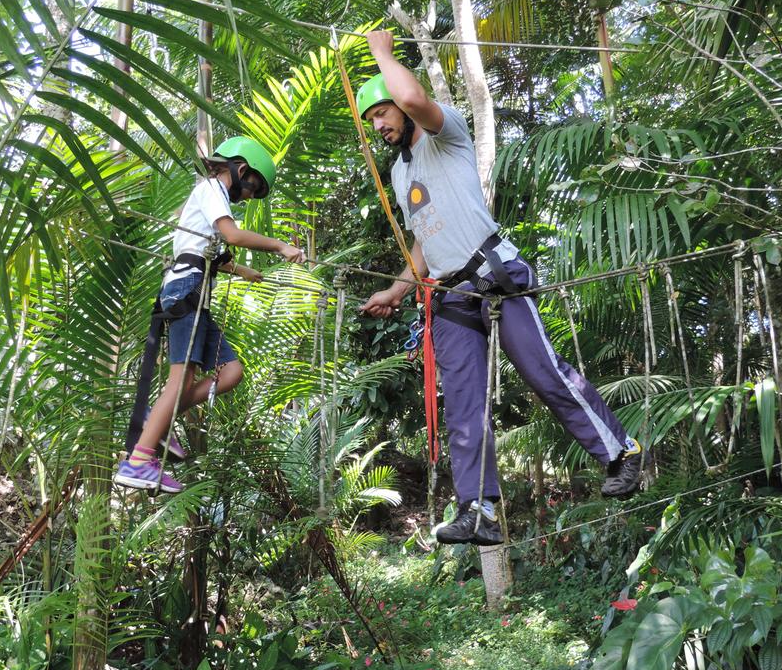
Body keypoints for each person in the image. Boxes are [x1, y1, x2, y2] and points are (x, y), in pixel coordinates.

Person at [356, 31, 650, 546]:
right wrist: (398, 291)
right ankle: (480, 511)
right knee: (465, 406)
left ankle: (621, 451)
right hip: (451, 295)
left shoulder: (446, 133)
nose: (380, 124)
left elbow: (413, 98)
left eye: (382, 112)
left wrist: (381, 51)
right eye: (372, 119)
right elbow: (424, 243)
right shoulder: (401, 175)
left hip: (494, 275)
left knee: (543, 372)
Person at [114, 136, 305, 491]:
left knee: (231, 372)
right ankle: (139, 459)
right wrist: (280, 246)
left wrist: (243, 272)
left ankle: (157, 420)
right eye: (253, 187)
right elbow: (230, 235)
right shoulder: (211, 187)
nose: (249, 195)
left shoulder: (208, 197)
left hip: (195, 293)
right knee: (181, 380)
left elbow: (209, 249)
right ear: (240, 169)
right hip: (186, 290)